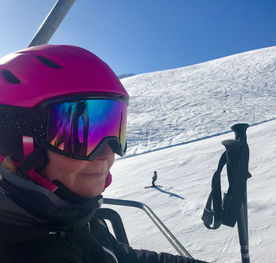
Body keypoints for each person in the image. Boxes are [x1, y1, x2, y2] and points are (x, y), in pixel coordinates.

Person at [0, 45, 208, 263]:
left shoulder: (72, 217)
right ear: (17, 142)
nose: (108, 154)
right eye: (79, 135)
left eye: (113, 132)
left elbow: (122, 256)